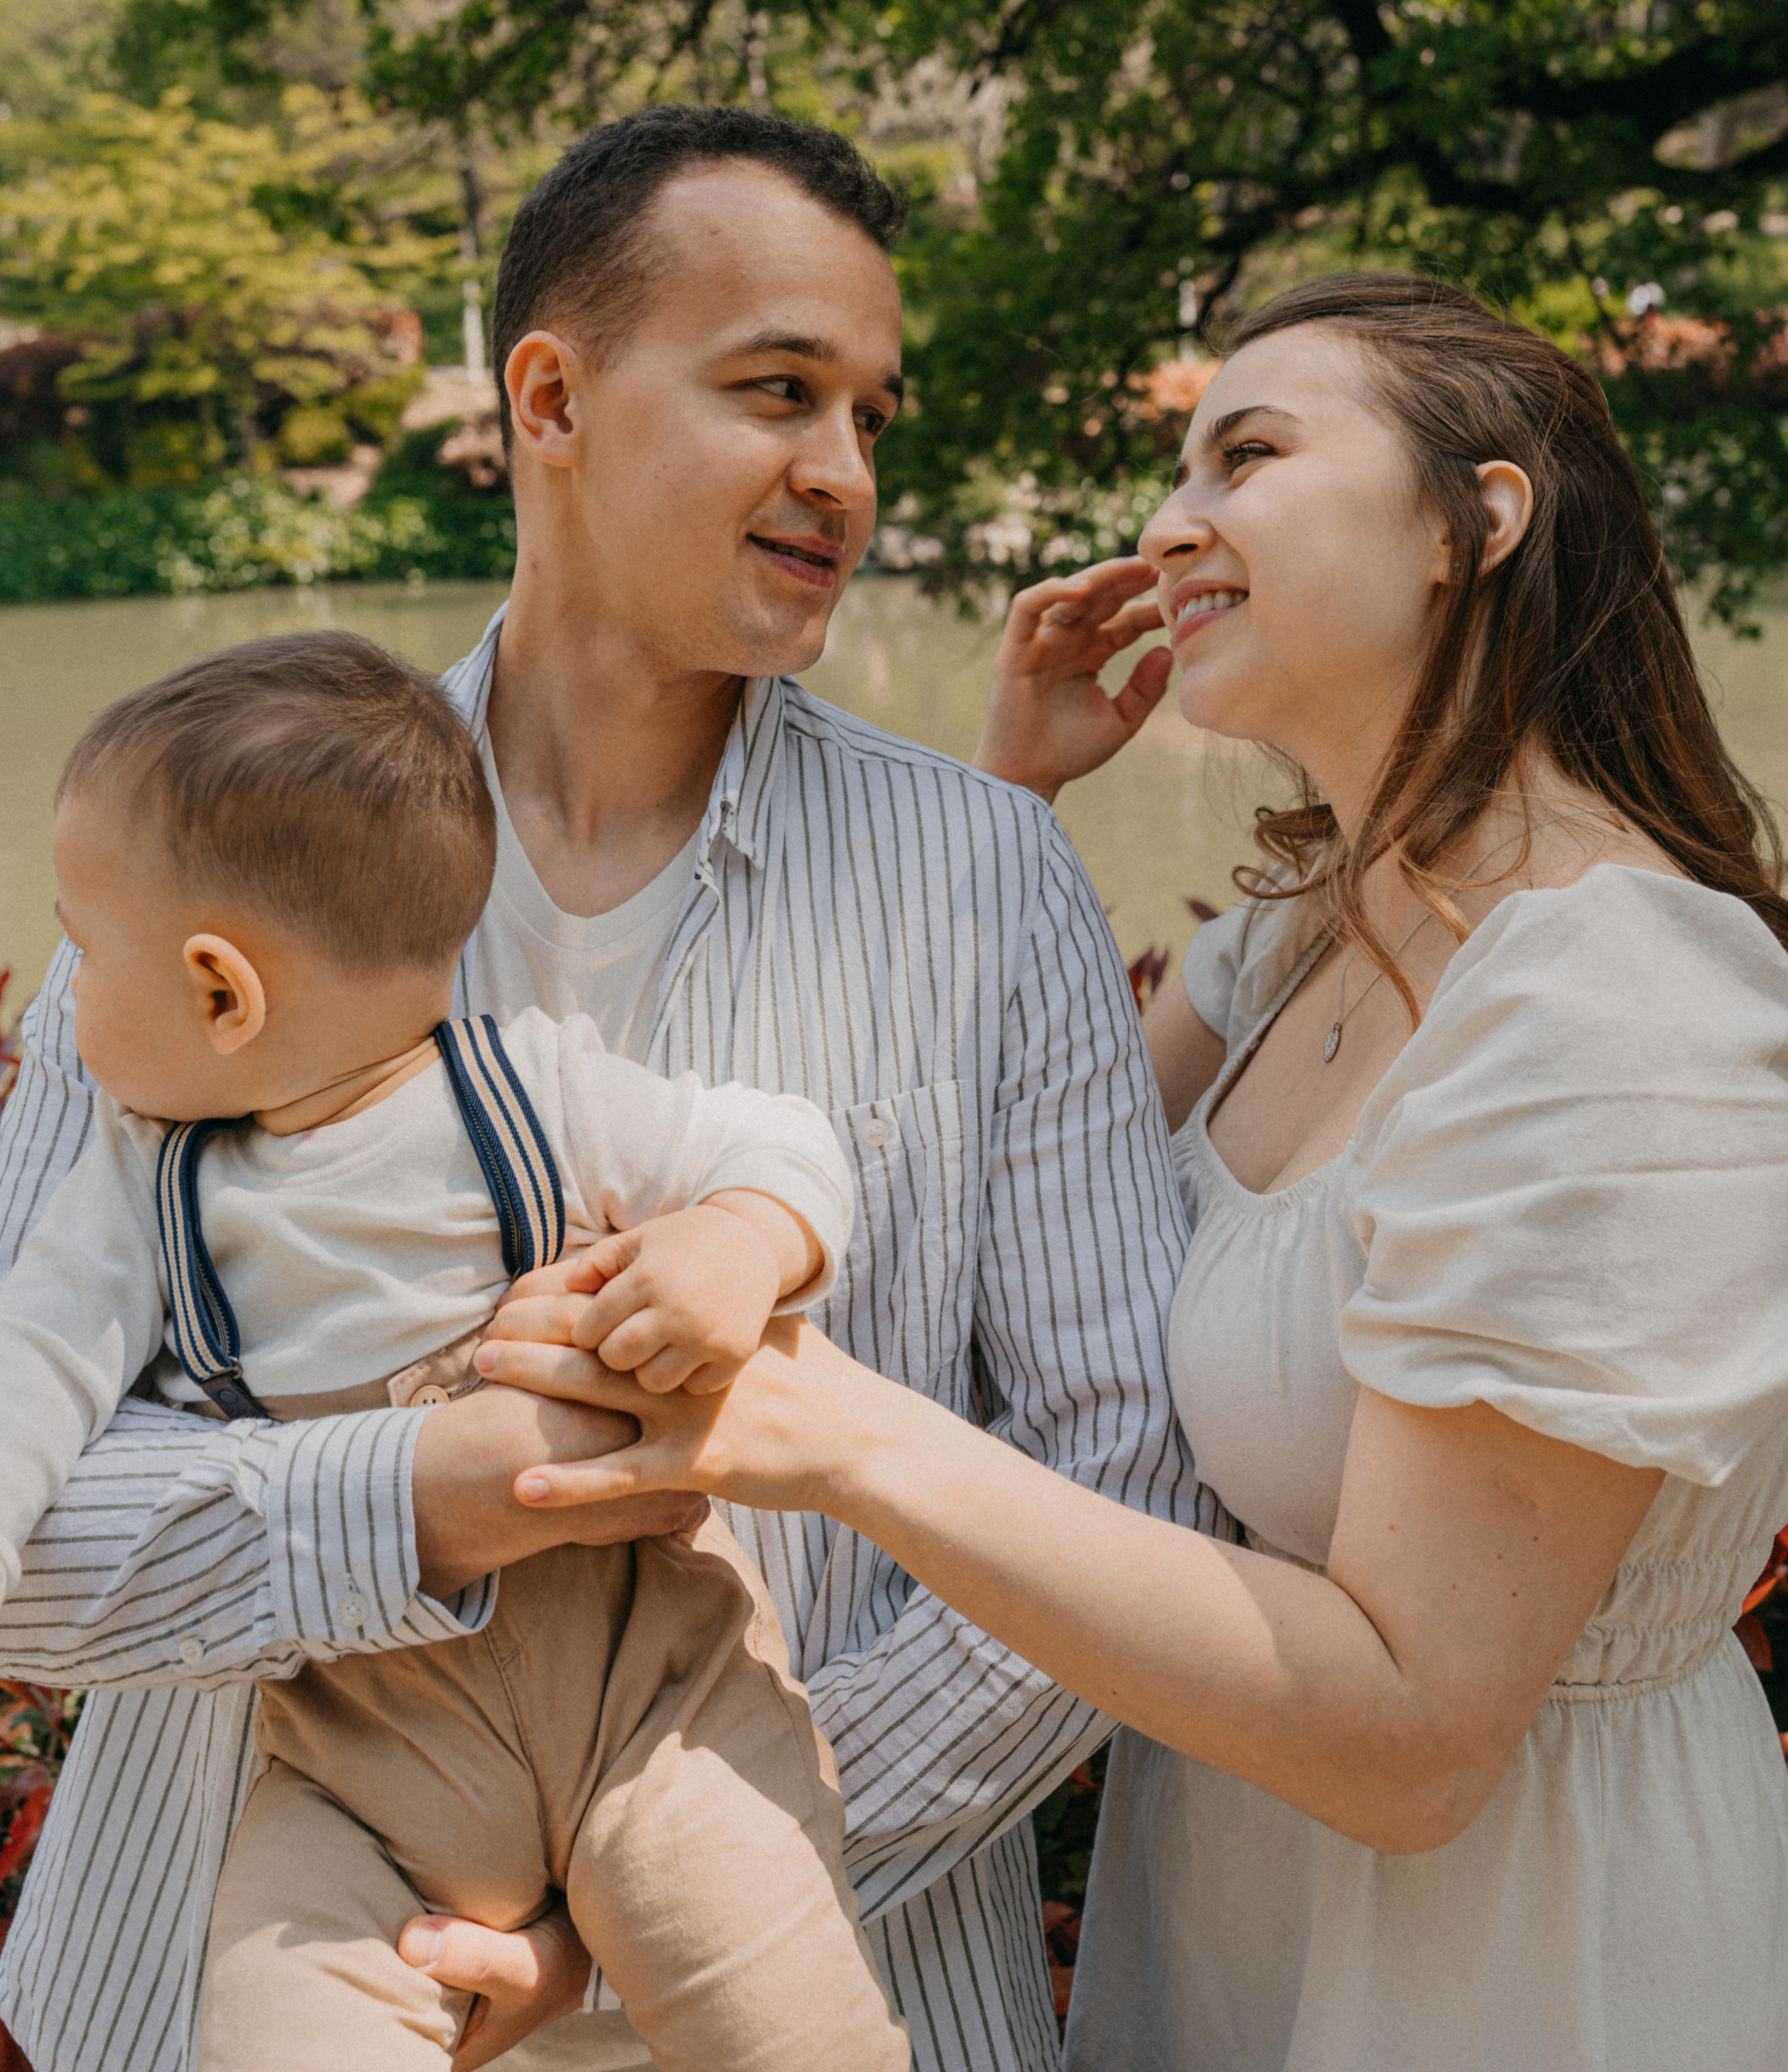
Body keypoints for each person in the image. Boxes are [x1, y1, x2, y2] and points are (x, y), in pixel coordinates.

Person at [473, 273, 1788, 2072]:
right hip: (1233, 1895)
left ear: (1471, 525)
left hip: (1512, 1953)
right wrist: (1007, 800)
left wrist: (844, 1440)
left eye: (1243, 456)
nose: (1167, 524)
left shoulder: (1620, 1005)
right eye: (1175, 472)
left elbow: (1414, 1735)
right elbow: (951, 1185)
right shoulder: (1304, 940)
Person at [0, 107, 1203, 2072]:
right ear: (549, 396)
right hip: (229, 1976)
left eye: (871, 416)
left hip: (837, 1979)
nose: (844, 474)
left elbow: (1120, 1485)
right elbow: (25, 1528)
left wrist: (685, 1889)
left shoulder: (990, 883)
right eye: (777, 391)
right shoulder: (194, 841)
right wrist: (419, 1501)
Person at [0, 629, 907, 2072]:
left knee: (787, 2019)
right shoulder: (146, 1185)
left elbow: (768, 1140)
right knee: (280, 2013)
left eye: (84, 948)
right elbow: (32, 1361)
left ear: (222, 991)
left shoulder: (526, 1092)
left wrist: (737, 1241)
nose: (67, 991)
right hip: (365, 1759)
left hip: (649, 1684)